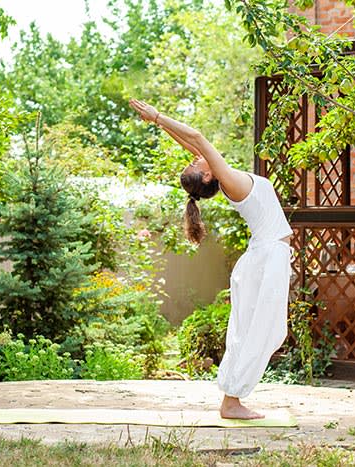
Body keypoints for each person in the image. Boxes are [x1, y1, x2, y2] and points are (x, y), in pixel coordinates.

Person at [129, 98, 293, 420]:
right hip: (267, 258)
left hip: (266, 256)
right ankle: (232, 401)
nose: (196, 159)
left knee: (257, 329)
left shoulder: (223, 176)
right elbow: (199, 138)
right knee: (261, 330)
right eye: (194, 164)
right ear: (206, 177)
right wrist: (159, 114)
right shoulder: (230, 181)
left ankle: (231, 398)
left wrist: (158, 123)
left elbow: (192, 143)